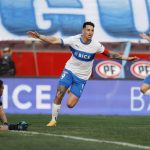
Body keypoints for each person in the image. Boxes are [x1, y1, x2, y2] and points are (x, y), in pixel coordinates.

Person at [27, 21, 138, 127]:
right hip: (69, 71)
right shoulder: (74, 40)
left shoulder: (96, 45)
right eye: (88, 30)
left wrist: (127, 58)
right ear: (83, 30)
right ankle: (53, 120)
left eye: (92, 30)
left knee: (70, 105)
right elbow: (54, 40)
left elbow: (110, 54)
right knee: (60, 93)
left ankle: (70, 90)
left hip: (82, 77)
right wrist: (39, 36)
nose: (90, 32)